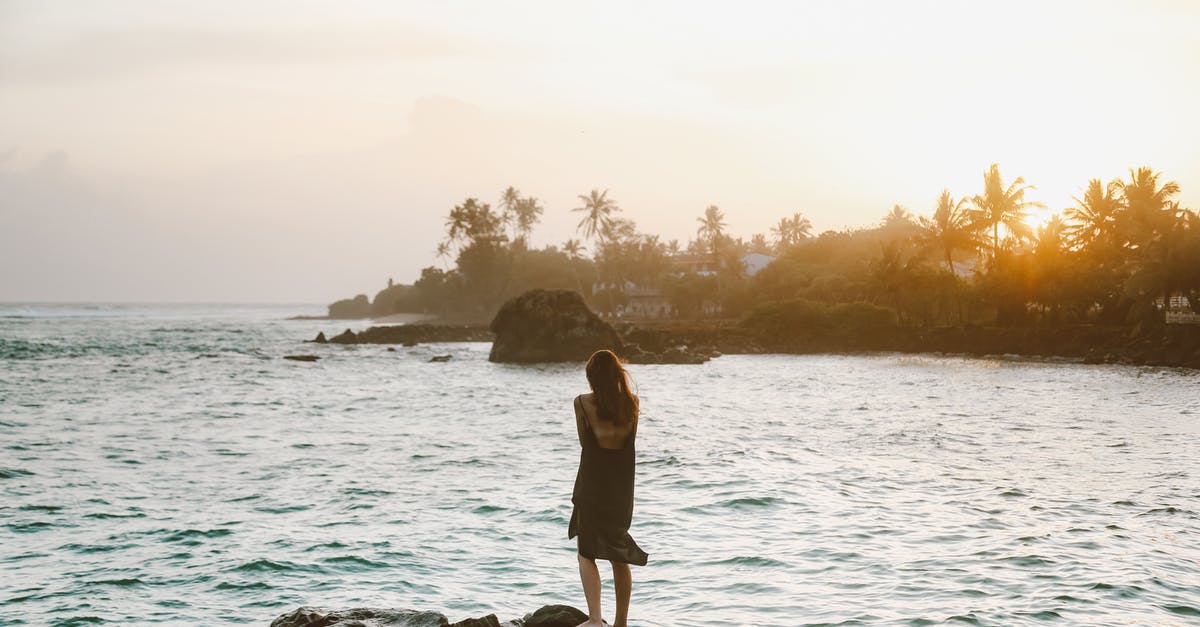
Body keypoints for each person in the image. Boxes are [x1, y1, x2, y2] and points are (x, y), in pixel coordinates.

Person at [568, 349, 648, 627]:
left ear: (591, 377)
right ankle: (621, 622)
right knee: (618, 555)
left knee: (585, 552)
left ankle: (594, 619)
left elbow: (585, 442)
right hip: (621, 490)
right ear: (616, 374)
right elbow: (629, 443)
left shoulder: (582, 403)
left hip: (592, 487)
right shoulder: (632, 403)